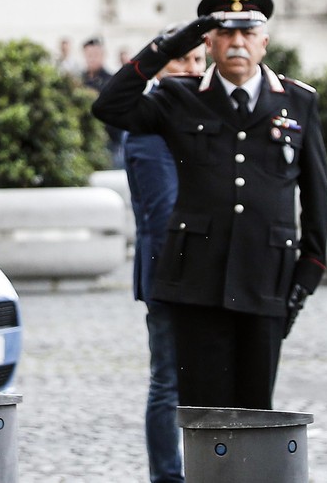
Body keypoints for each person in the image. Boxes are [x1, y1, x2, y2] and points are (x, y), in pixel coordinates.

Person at [93, 0, 327, 411]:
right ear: (209, 41)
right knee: (204, 414)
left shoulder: (297, 102)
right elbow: (108, 106)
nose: (236, 42)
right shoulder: (178, 96)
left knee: (257, 411)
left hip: (266, 276)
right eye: (225, 33)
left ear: (264, 41)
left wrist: (308, 272)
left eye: (246, 32)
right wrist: (167, 47)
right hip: (196, 282)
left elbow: (316, 195)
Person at [122, 27, 206, 483]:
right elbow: (163, 214)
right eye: (183, 63)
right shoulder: (148, 123)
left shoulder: (196, 115)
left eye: (198, 62)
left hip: (203, 276)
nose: (193, 71)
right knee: (168, 385)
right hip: (169, 276)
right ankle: (167, 477)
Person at [81, 36, 122, 168]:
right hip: (85, 141)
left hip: (109, 141)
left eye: (95, 54)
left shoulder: (111, 81)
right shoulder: (80, 81)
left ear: (103, 55)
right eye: (88, 55)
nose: (92, 58)